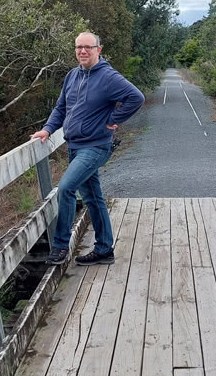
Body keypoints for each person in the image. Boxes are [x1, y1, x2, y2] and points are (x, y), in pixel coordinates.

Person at [31, 32, 145, 265]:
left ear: (98, 50)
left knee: (66, 187)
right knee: (94, 198)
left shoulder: (108, 77)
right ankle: (104, 249)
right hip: (74, 145)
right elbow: (61, 108)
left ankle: (61, 245)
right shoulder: (72, 75)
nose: (83, 51)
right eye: (78, 47)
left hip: (96, 146)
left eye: (88, 47)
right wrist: (48, 129)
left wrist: (115, 118)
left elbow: (136, 97)